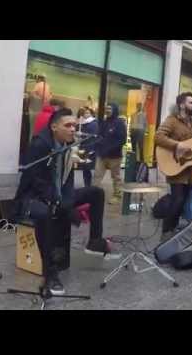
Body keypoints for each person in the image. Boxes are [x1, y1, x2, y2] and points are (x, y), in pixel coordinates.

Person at [14, 108, 121, 295]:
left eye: (74, 125)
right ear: (54, 126)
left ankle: (94, 241)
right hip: (33, 197)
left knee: (96, 193)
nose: (73, 129)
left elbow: (68, 180)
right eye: (68, 125)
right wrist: (60, 203)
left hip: (57, 194)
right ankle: (50, 274)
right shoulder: (40, 145)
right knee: (45, 216)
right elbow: (36, 182)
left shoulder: (68, 145)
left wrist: (67, 201)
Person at [155, 92, 192, 241]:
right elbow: (158, 137)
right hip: (177, 168)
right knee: (177, 200)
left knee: (184, 201)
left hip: (191, 170)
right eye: (191, 102)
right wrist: (177, 145)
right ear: (182, 105)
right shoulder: (172, 120)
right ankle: (166, 231)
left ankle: (174, 229)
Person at [93, 103, 127, 205]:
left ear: (115, 110)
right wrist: (98, 147)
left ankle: (117, 195)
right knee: (97, 176)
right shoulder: (104, 122)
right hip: (102, 155)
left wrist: (110, 148)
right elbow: (99, 136)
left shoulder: (120, 123)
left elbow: (122, 140)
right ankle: (93, 195)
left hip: (114, 156)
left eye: (110, 108)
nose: (107, 110)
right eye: (106, 108)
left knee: (116, 177)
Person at [77, 107, 99, 187]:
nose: (86, 115)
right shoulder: (82, 123)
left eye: (88, 113)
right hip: (84, 147)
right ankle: (87, 185)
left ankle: (90, 186)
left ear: (91, 114)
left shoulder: (94, 123)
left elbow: (94, 135)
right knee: (85, 168)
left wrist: (82, 134)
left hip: (90, 148)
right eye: (84, 113)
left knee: (88, 167)